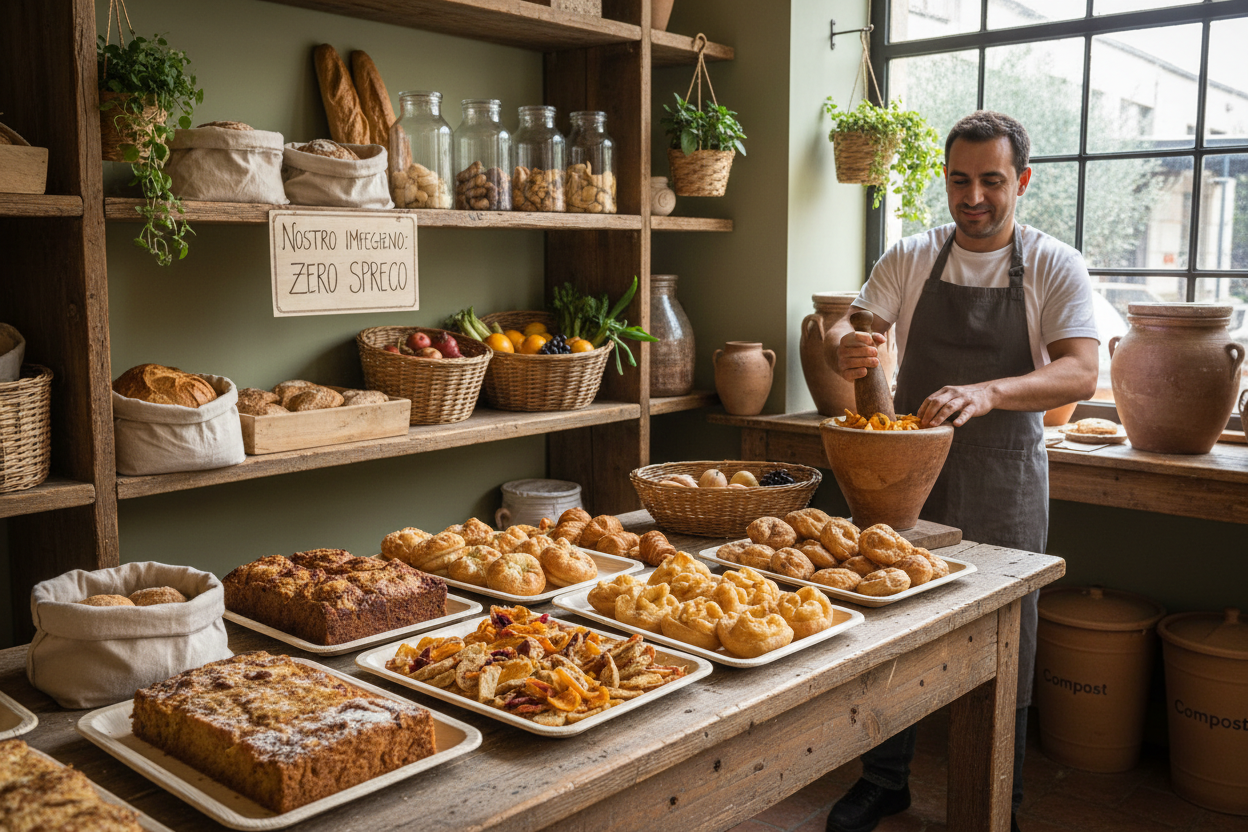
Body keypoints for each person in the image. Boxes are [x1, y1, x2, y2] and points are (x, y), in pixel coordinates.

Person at [824, 111, 1100, 832]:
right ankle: (884, 779)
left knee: (1010, 633)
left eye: (991, 180)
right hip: (907, 484)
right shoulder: (912, 256)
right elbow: (848, 327)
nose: (973, 196)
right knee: (889, 624)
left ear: (1022, 182)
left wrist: (988, 391)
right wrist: (846, 347)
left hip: (1006, 481)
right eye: (959, 179)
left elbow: (1081, 373)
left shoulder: (1052, 264)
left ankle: (997, 798)